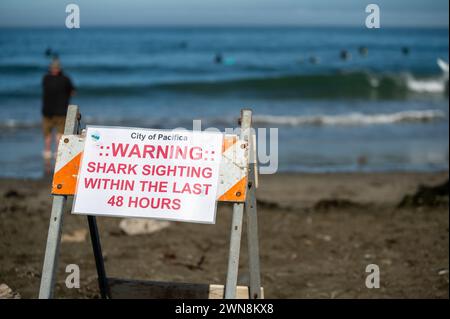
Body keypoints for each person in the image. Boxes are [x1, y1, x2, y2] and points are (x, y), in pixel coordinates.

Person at [41, 58, 75, 159]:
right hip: (61, 110)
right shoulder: (65, 79)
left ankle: (47, 151)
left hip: (47, 110)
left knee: (47, 133)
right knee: (59, 133)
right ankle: (57, 152)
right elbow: (72, 91)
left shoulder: (46, 78)